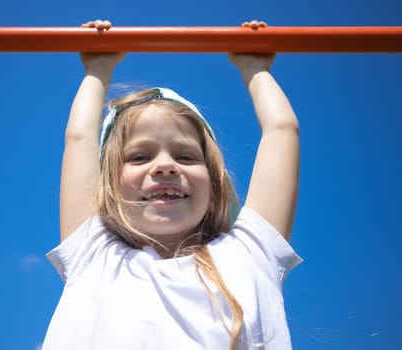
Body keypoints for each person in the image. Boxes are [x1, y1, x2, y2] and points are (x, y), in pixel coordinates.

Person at [42, 19, 302, 350]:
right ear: (107, 187)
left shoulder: (248, 255)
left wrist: (254, 66)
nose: (165, 166)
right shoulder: (94, 255)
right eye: (138, 158)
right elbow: (79, 138)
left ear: (215, 188)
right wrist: (98, 67)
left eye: (186, 157)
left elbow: (282, 130)